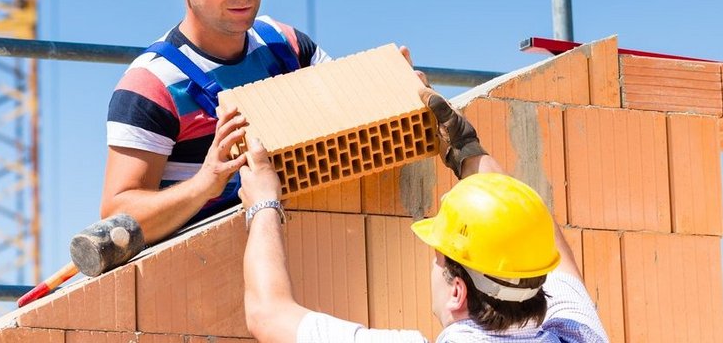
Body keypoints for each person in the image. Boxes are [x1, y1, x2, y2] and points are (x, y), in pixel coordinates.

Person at [237, 90, 609, 343]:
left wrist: (262, 202)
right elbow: (528, 221)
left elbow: (268, 315)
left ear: (457, 291)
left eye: (437, 257)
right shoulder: (577, 332)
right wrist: (465, 149)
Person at [101, 0, 338, 242]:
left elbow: (349, 110)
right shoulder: (152, 86)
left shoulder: (287, 46)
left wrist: (398, 91)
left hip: (309, 244)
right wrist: (206, 182)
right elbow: (118, 220)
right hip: (205, 269)